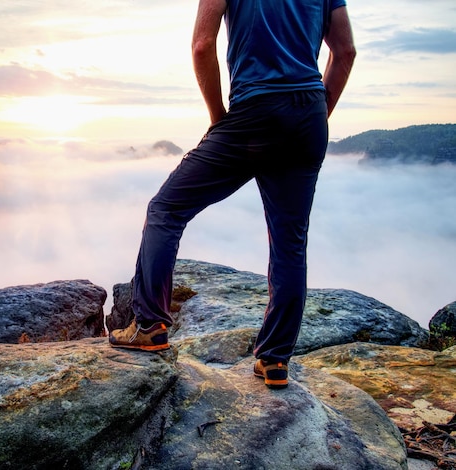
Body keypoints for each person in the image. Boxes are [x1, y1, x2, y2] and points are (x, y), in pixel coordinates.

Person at [109, 0, 356, 389]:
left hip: (253, 111)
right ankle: (275, 360)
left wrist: (217, 118)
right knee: (290, 243)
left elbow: (202, 46)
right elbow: (345, 51)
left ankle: (150, 325)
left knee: (166, 209)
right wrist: (315, 112)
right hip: (307, 115)